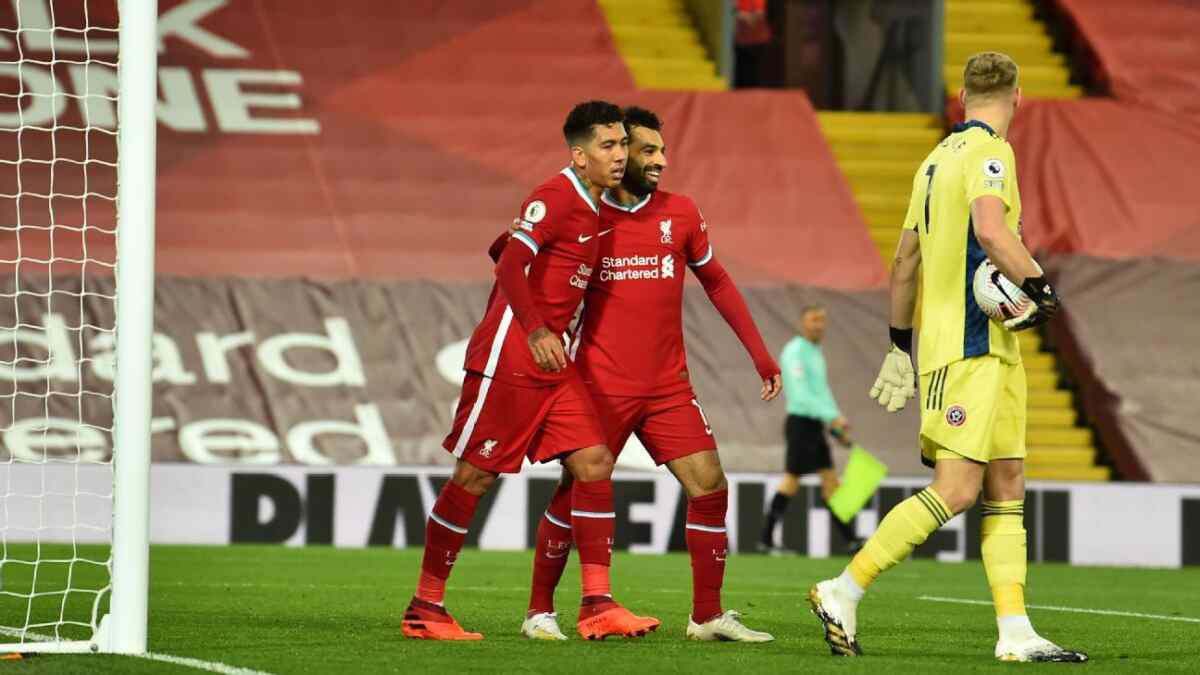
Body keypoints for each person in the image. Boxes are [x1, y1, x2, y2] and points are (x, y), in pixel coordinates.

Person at [807, 53, 1087, 662]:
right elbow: (991, 230)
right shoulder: (993, 153)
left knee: (1007, 483)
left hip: (986, 350)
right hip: (970, 347)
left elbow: (905, 260)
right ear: (1019, 96)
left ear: (960, 95)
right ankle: (843, 588)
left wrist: (897, 345)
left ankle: (1015, 632)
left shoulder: (931, 162)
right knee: (958, 489)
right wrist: (1040, 288)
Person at [489, 107, 781, 642]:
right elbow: (520, 264)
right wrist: (534, 335)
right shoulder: (583, 216)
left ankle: (706, 617)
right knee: (574, 488)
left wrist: (759, 354)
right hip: (598, 384)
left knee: (710, 485)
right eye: (647, 151)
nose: (658, 161)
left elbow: (717, 283)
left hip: (668, 387)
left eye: (658, 151)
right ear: (617, 154)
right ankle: (538, 612)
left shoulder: (682, 214)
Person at [402, 101, 660, 642]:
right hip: (512, 358)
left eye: (621, 145)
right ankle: (425, 607)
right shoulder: (556, 196)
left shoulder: (592, 207)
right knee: (474, 476)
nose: (620, 156)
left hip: (554, 366)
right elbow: (510, 261)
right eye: (607, 146)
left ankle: (597, 604)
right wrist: (538, 329)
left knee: (593, 461)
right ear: (579, 154)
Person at [759, 304, 860, 552]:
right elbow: (802, 395)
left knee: (831, 483)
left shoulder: (816, 352)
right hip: (800, 423)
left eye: (822, 320)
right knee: (792, 481)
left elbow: (821, 393)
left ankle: (852, 541)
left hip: (816, 424)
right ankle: (766, 539)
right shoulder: (795, 351)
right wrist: (832, 417)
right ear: (803, 323)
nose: (818, 325)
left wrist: (836, 426)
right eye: (813, 320)